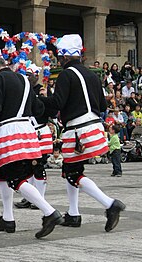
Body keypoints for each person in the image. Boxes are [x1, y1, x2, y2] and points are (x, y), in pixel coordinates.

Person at [38, 34, 125, 231]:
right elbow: (102, 105)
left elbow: (57, 104)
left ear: (66, 57)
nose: (59, 60)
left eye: (60, 57)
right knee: (72, 170)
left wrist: (38, 100)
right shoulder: (92, 75)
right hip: (93, 126)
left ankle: (110, 204)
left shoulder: (66, 75)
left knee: (72, 173)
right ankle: (74, 213)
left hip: (77, 129)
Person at [0, 52, 63, 239]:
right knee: (2, 173)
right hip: (27, 129)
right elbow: (39, 108)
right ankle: (7, 218)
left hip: (9, 131)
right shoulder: (25, 81)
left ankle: (49, 212)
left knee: (15, 178)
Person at [15, 63, 54, 210]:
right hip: (29, 132)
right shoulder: (25, 90)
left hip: (40, 132)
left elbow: (49, 110)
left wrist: (42, 97)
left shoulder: (41, 91)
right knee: (27, 167)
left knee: (38, 166)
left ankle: (40, 198)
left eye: (30, 75)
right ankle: (29, 197)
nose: (28, 78)